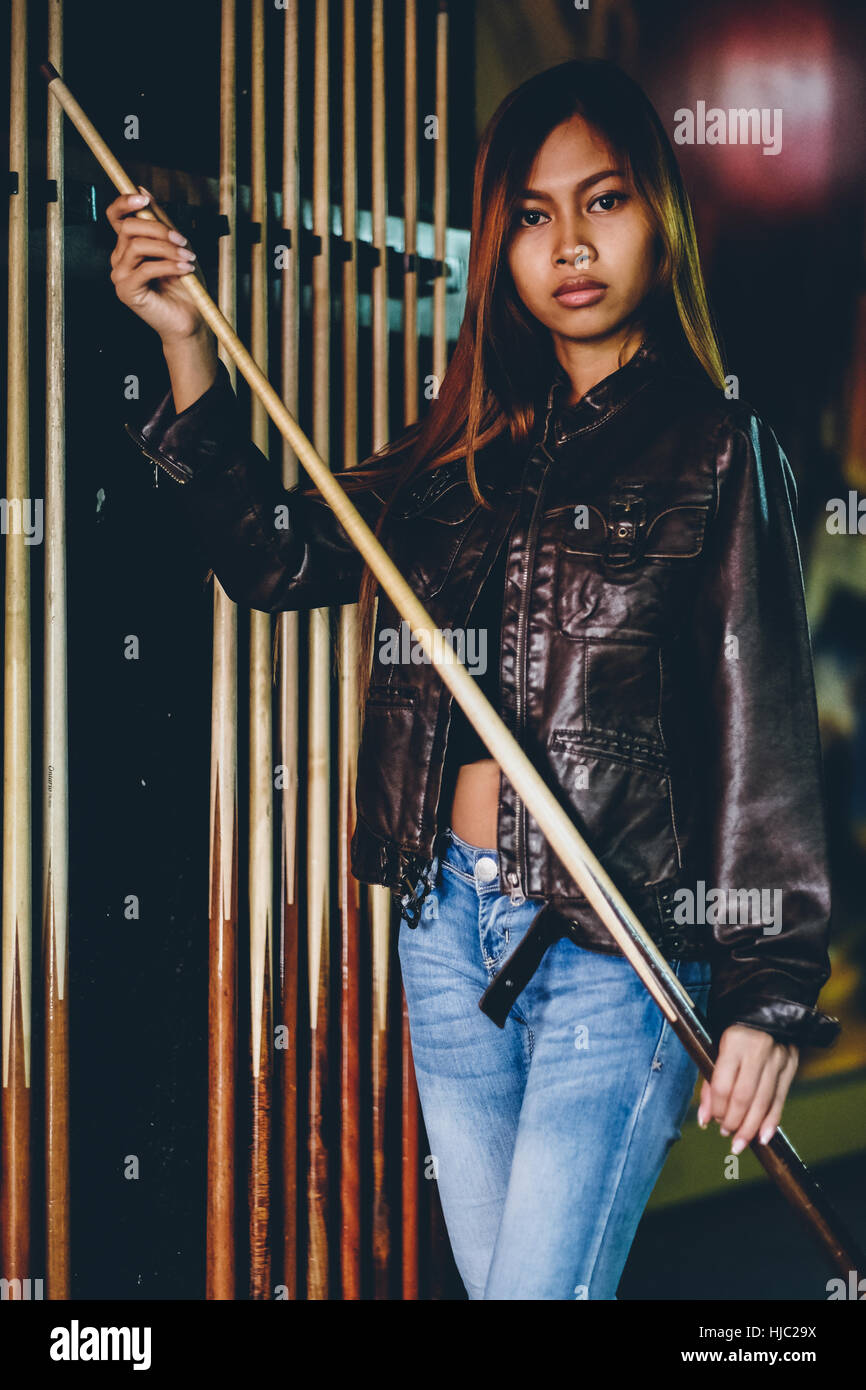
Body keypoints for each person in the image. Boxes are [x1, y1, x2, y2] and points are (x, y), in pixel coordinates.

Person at [109, 59, 840, 1299]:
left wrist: (766, 994)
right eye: (531, 214)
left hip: (611, 947)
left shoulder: (717, 447)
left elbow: (758, 737)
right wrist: (188, 346)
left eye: (600, 202)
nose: (568, 244)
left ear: (656, 221)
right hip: (443, 935)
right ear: (498, 246)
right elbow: (275, 558)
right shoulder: (455, 458)